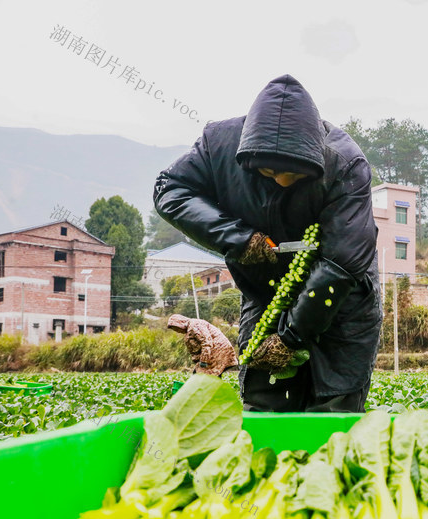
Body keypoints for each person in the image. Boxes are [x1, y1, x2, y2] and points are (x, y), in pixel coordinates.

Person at [153, 74, 382, 412]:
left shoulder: (344, 163)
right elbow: (170, 189)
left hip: (342, 304)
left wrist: (291, 337)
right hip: (264, 296)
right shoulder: (219, 145)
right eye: (270, 173)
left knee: (334, 409)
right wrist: (238, 238)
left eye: (296, 174)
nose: (283, 181)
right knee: (264, 405)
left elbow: (342, 262)